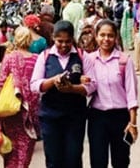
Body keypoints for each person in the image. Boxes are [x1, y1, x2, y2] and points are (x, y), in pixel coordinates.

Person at [31, 20, 94, 168]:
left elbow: (92, 86)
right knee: (53, 159)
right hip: (50, 118)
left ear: (73, 39)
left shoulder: (82, 56)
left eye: (68, 41)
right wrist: (53, 81)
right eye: (60, 41)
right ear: (53, 38)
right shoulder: (45, 56)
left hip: (75, 118)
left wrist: (72, 88)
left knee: (73, 158)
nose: (64, 45)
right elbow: (34, 85)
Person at [86, 19, 138, 168]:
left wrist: (133, 123)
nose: (106, 39)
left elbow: (131, 94)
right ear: (96, 36)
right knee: (98, 161)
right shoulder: (89, 60)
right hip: (97, 118)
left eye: (110, 35)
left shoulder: (124, 60)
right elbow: (85, 89)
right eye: (102, 35)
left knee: (121, 161)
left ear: (115, 37)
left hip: (120, 118)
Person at [0, 27, 41, 168]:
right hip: (30, 110)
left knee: (11, 146)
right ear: (30, 41)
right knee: (26, 144)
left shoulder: (10, 58)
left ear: (15, 40)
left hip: (11, 110)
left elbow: (0, 83)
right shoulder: (37, 60)